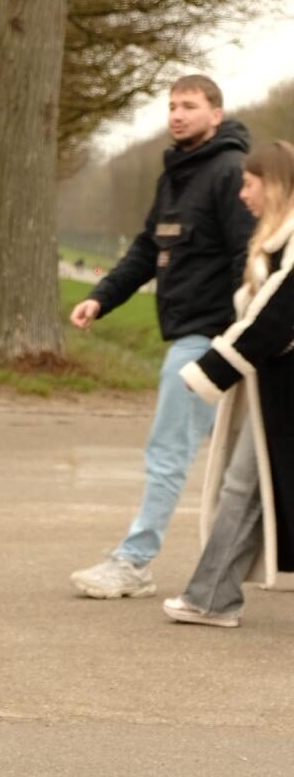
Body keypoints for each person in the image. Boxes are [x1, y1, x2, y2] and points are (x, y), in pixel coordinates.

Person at [69, 75, 254, 599]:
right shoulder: (175, 175)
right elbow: (147, 249)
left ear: (216, 114)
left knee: (169, 450)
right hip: (201, 339)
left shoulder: (229, 171)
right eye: (172, 106)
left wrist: (238, 338)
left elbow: (248, 256)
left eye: (189, 106)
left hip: (213, 342)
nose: (177, 114)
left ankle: (134, 562)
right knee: (247, 463)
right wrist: (101, 297)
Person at [163, 141, 294, 626]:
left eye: (250, 182)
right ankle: (212, 595)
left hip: (281, 393)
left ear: (273, 183)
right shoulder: (278, 240)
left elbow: (276, 318)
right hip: (274, 392)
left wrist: (210, 371)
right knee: (246, 487)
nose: (242, 194)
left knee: (244, 487)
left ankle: (211, 596)